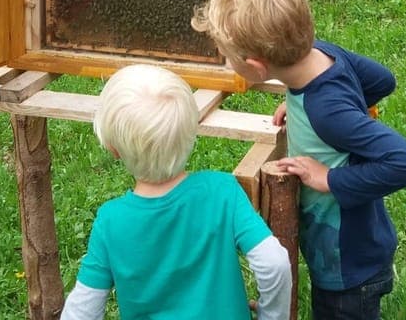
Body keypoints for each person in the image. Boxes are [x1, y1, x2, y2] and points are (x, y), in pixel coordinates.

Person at [191, 0, 406, 320]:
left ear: (257, 67)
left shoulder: (327, 109)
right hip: (345, 251)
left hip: (348, 266)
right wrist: (299, 105)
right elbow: (383, 80)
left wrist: (329, 177)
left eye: (229, 57)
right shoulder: (321, 55)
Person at [61, 64, 292, 320]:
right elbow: (275, 263)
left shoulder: (111, 221)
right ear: (192, 133)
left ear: (113, 148)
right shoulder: (221, 191)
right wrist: (272, 316)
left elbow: (80, 312)